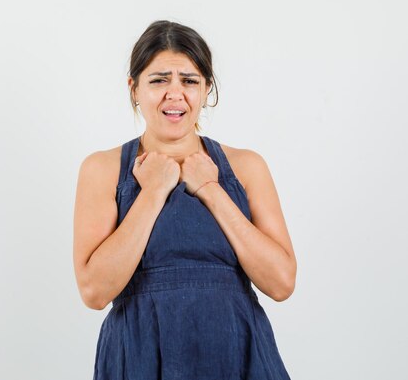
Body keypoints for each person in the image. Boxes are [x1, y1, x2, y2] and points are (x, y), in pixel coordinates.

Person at [73, 20, 296, 379]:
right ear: (133, 88)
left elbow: (281, 282)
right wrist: (154, 191)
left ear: (206, 88)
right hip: (140, 356)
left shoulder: (246, 167)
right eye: (159, 80)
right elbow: (95, 291)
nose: (175, 94)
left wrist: (210, 189)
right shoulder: (102, 169)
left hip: (236, 355)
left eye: (189, 81)